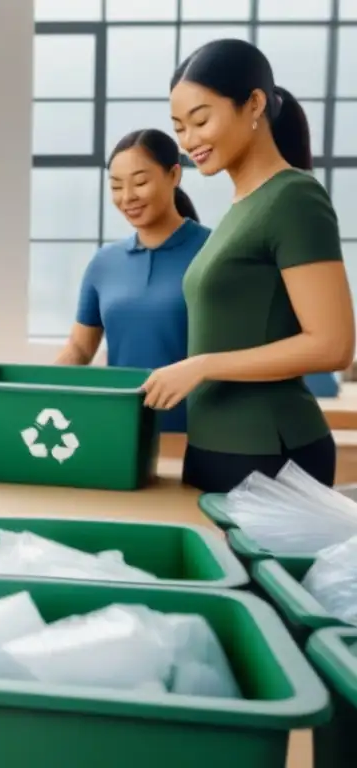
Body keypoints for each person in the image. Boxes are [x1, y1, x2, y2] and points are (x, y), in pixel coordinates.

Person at [142, 39, 355, 493]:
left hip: (270, 449)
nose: (189, 141)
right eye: (179, 128)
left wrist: (201, 366)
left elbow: (334, 345)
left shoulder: (294, 197)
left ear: (254, 103)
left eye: (201, 120)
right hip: (216, 444)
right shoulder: (242, 207)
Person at [56, 129, 210, 434]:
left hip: (203, 435)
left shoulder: (215, 251)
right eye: (116, 186)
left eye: (140, 182)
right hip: (124, 431)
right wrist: (36, 389)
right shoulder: (104, 262)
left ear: (174, 175)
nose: (127, 197)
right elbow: (80, 348)